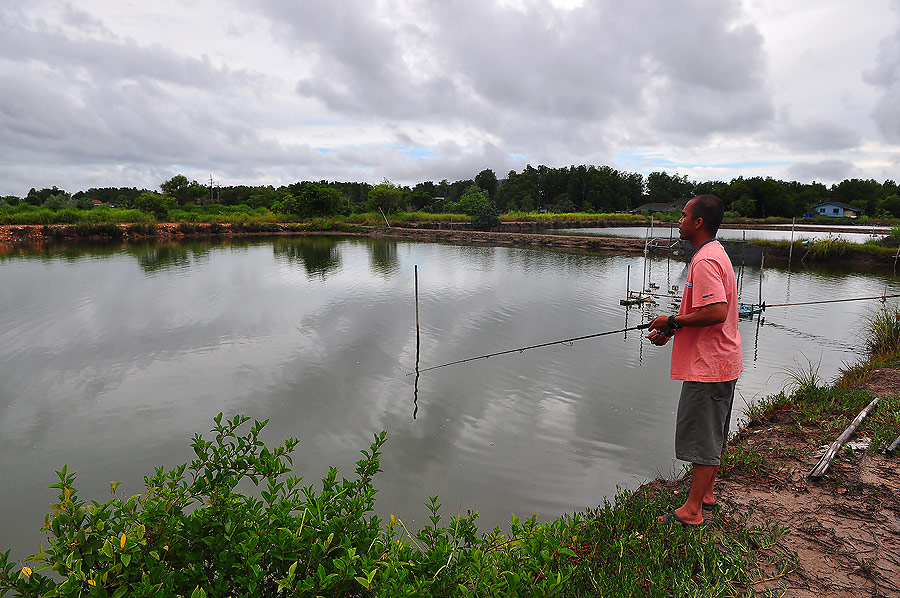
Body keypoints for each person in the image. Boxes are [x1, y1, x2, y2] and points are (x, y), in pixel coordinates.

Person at [646, 194, 743, 527]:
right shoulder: (715, 253)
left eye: (684, 216)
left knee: (702, 437)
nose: (679, 221)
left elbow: (716, 311)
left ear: (698, 222)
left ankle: (692, 511)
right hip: (721, 362)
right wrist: (674, 328)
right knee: (713, 433)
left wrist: (673, 321)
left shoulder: (704, 261)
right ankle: (706, 493)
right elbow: (706, 310)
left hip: (710, 367)